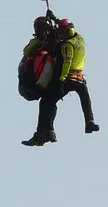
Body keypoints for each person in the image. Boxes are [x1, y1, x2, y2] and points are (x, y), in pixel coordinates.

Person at [22, 17, 99, 147]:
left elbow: (66, 63)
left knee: (47, 101)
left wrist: (61, 80)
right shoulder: (80, 39)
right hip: (81, 79)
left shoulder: (66, 45)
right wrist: (55, 19)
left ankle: (43, 134)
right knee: (85, 99)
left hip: (67, 78)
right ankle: (89, 122)